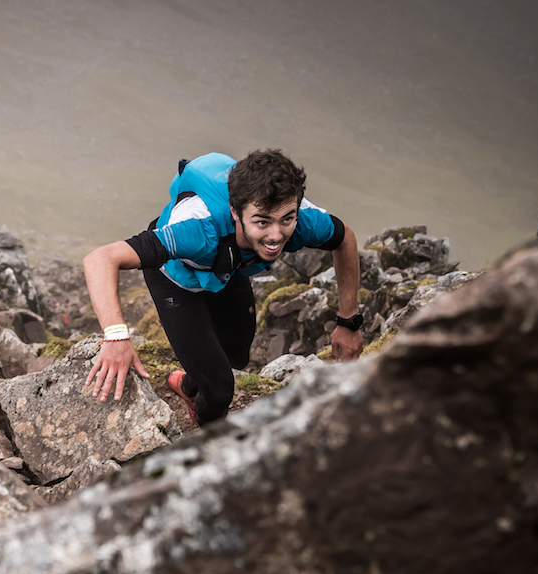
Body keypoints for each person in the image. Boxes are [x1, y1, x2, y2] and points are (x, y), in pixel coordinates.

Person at [83, 150, 364, 426]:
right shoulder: (196, 229)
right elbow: (100, 259)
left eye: (286, 220)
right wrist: (116, 337)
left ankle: (187, 385)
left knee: (236, 357)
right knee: (219, 389)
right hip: (176, 280)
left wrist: (349, 322)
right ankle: (208, 444)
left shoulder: (299, 217)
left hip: (226, 270)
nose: (276, 235)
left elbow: (345, 239)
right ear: (235, 211)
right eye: (262, 222)